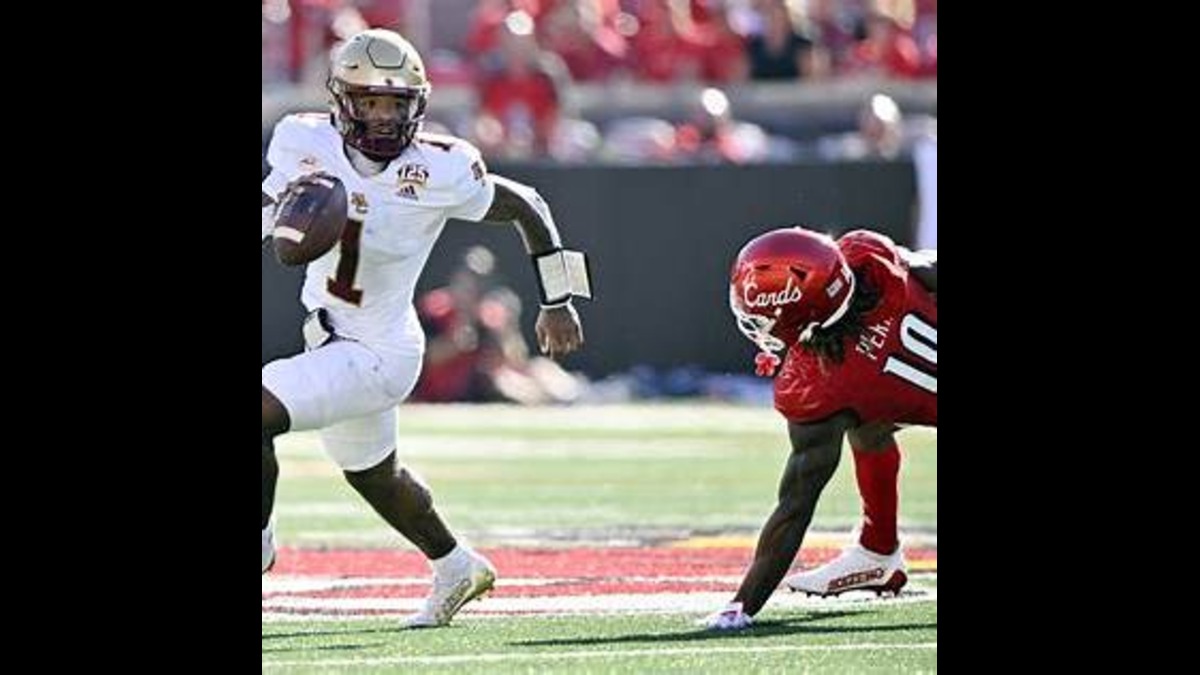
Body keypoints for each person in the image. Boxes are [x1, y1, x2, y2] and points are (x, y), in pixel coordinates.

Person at [260, 29, 592, 629]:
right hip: (331, 337)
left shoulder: (439, 168)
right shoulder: (302, 140)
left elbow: (528, 206)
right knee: (374, 477)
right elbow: (273, 215)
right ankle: (456, 565)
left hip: (379, 350)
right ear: (342, 101)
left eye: (396, 103)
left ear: (418, 104)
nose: (384, 117)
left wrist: (559, 299)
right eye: (371, 102)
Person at [705, 226, 935, 631]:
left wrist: (741, 606)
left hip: (894, 388)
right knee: (868, 427)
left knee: (860, 419)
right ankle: (877, 551)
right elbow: (928, 267)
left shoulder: (821, 387)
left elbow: (795, 507)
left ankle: (879, 552)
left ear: (800, 319)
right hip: (903, 382)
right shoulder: (868, 257)